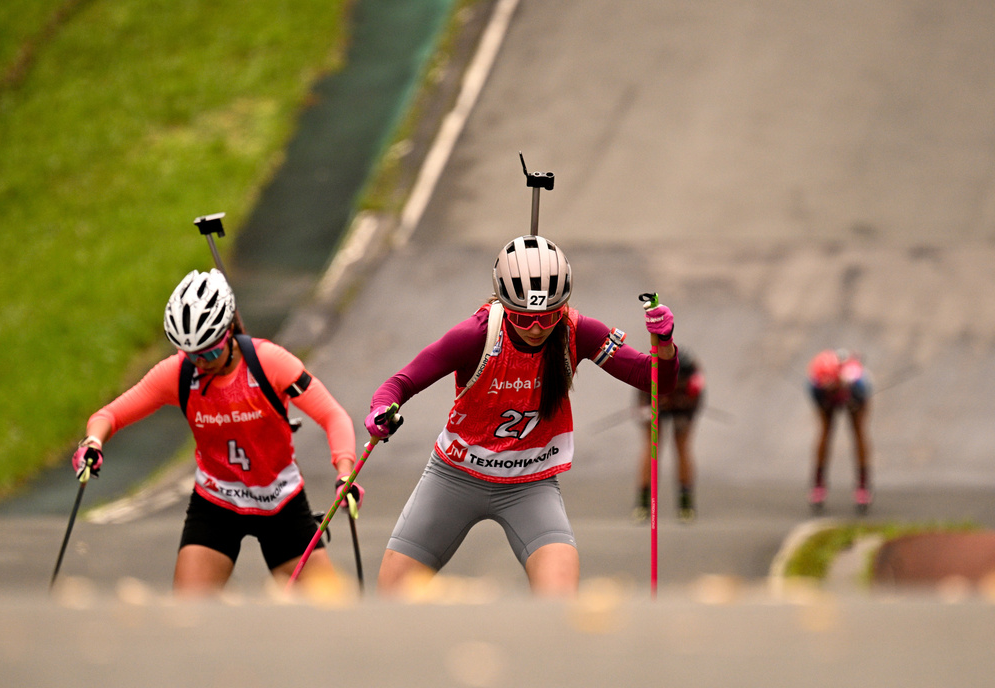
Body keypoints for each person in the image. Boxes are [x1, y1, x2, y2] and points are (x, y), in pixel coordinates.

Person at [364, 234, 680, 598]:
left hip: (530, 486)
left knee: (559, 600)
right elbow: (400, 383)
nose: (536, 328)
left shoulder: (577, 331)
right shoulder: (477, 335)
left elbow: (655, 380)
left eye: (548, 316)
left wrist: (665, 343)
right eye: (523, 318)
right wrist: (381, 410)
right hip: (454, 478)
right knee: (392, 596)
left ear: (563, 305)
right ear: (503, 302)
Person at [70, 268, 360, 596]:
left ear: (230, 330)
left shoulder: (269, 363)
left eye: (209, 351)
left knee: (326, 607)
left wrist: (344, 472)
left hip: (280, 501)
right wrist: (93, 442)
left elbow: (333, 415)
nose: (202, 363)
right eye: (192, 354)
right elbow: (108, 415)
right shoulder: (179, 373)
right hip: (217, 502)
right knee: (189, 611)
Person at [633, 348, 704, 521]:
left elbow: (696, 404)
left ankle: (686, 504)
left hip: (683, 409)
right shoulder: (649, 373)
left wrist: (679, 403)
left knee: (682, 447)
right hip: (654, 403)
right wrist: (648, 410)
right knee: (651, 449)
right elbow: (641, 406)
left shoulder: (693, 378)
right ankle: (643, 504)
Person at [806, 348, 873, 513]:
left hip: (852, 394)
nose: (828, 389)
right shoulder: (815, 388)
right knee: (825, 432)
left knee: (858, 432)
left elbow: (862, 399)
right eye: (825, 386)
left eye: (831, 386)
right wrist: (827, 397)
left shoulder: (858, 384)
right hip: (830, 395)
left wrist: (852, 401)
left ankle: (863, 485)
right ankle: (818, 483)